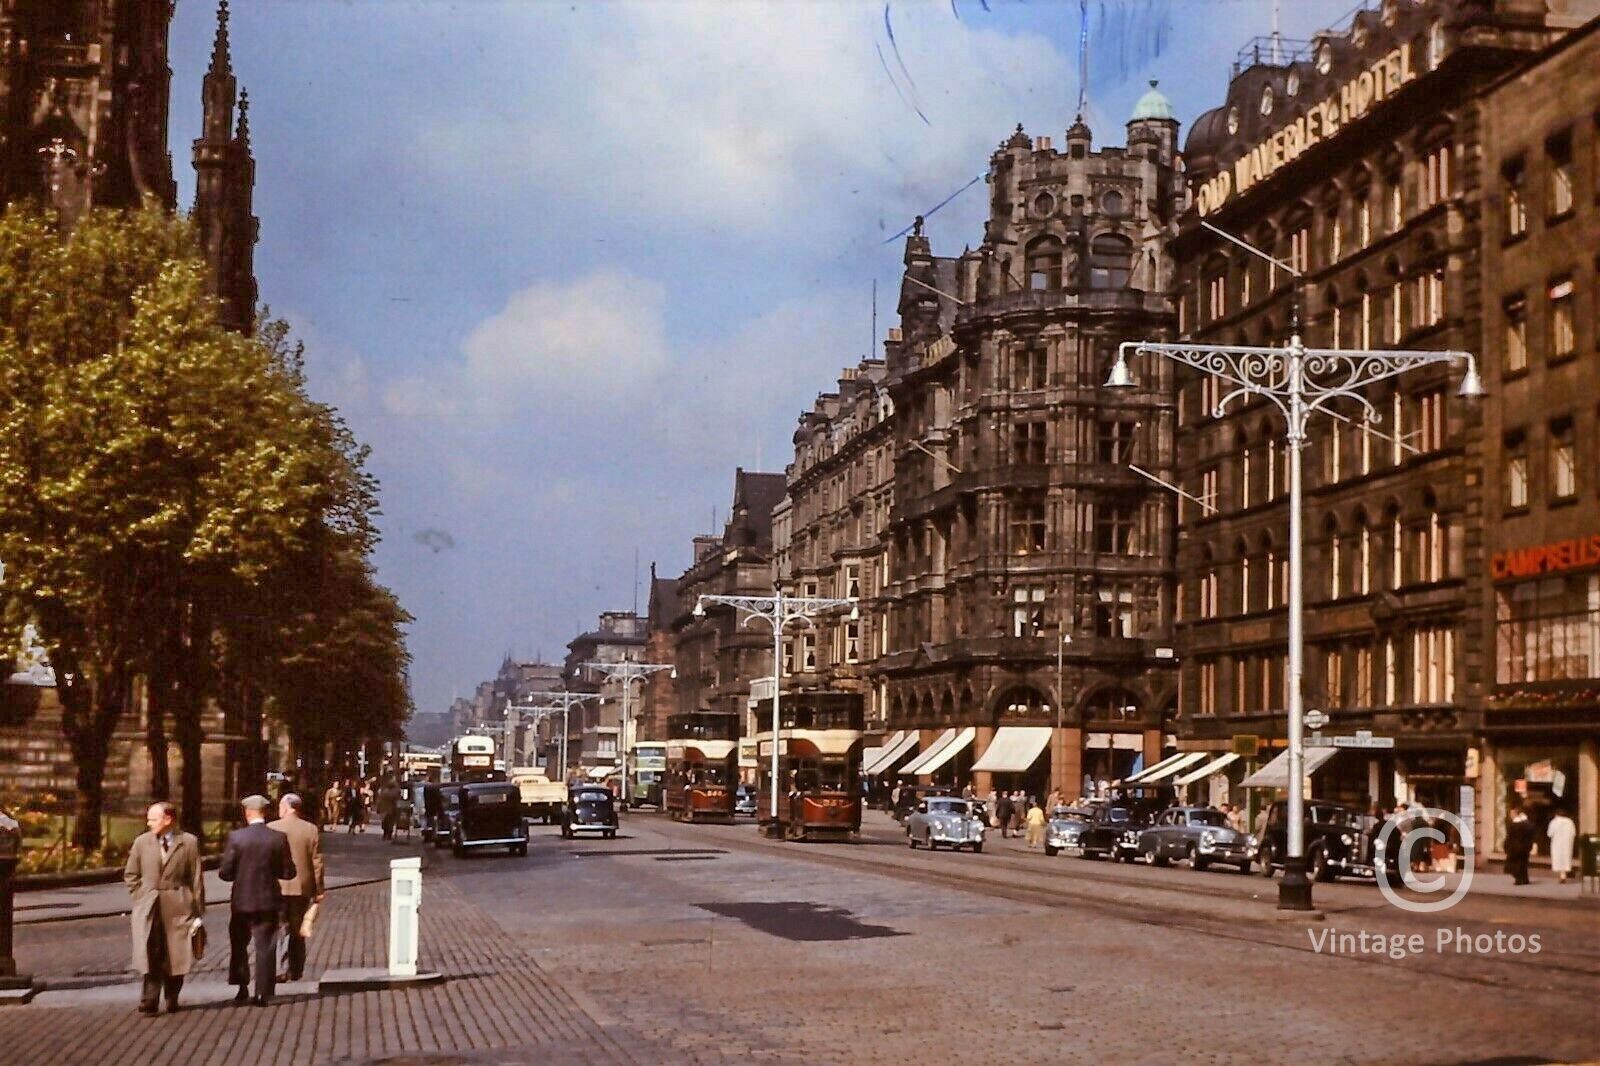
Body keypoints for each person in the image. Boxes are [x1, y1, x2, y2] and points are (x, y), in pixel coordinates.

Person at [124, 802, 205, 1015]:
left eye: (153, 819)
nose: (148, 823)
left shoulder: (188, 842)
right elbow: (131, 874)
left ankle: (172, 996)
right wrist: (140, 896)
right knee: (151, 951)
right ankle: (149, 1000)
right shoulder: (142, 842)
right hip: (150, 905)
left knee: (176, 954)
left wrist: (197, 911)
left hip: (178, 905)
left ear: (168, 820)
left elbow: (196, 878)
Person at [220, 794, 297, 1006]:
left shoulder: (237, 837)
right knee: (266, 946)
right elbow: (288, 872)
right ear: (265, 813)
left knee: (239, 944)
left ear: (247, 813)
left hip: (242, 900)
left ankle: (241, 985)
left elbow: (225, 872)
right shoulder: (278, 838)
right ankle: (263, 992)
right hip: (268, 899)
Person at [270, 793, 325, 983]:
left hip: (277, 886)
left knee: (280, 927)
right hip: (302, 887)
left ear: (285, 807)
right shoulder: (310, 829)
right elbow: (316, 861)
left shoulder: (272, 827)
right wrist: (319, 889)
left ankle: (280, 967)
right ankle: (296, 968)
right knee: (298, 928)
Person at [1504, 805, 1534, 886]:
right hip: (1525, 847)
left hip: (1515, 847)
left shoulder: (1513, 825)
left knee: (1515, 863)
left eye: (1512, 813)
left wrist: (1506, 846)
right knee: (1523, 863)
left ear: (1516, 814)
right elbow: (1531, 834)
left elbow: (1509, 836)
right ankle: (1524, 879)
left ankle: (1518, 879)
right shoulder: (1527, 824)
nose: (1510, 815)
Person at [1547, 807, 1577, 885]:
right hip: (1567, 843)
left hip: (1557, 843)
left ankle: (1562, 875)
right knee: (1566, 858)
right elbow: (1573, 833)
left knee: (1558, 858)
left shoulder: (1554, 822)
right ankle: (1563, 874)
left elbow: (1549, 834)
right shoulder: (1570, 822)